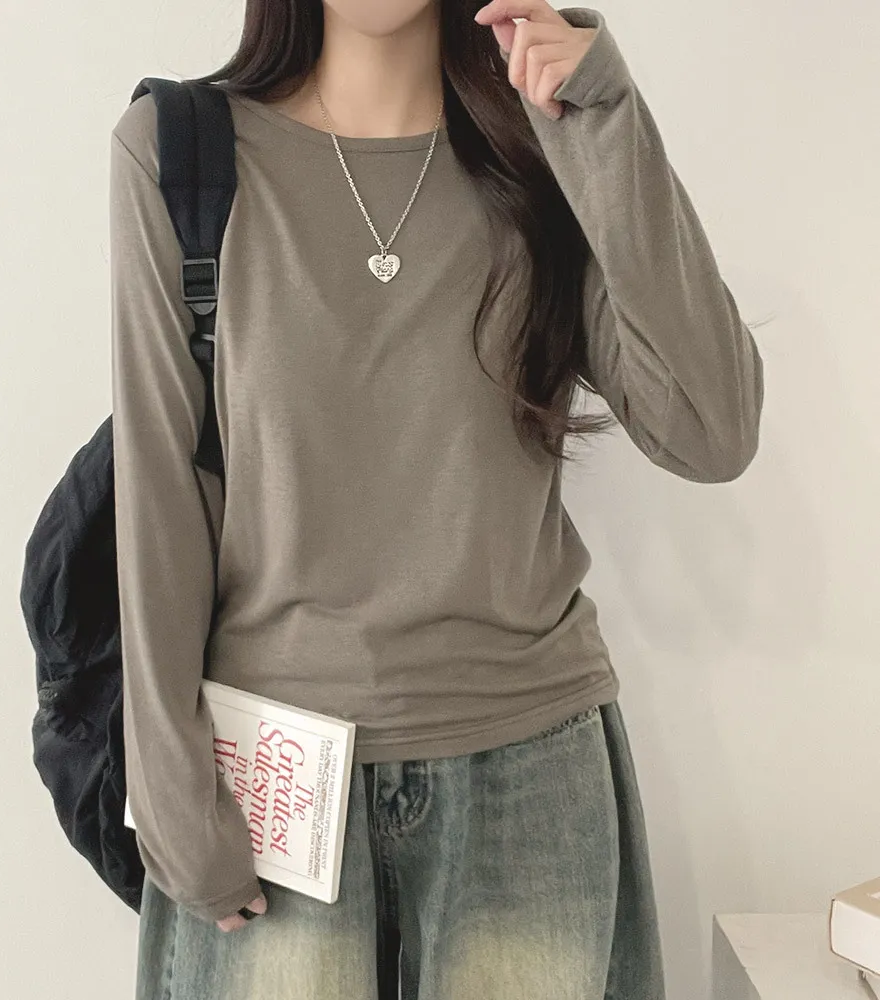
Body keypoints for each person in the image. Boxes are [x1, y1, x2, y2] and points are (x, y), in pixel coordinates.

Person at [109, 0, 764, 996]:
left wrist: (601, 117)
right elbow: (158, 490)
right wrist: (167, 786)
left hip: (529, 775)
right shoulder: (181, 154)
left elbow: (712, 430)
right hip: (270, 777)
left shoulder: (542, 152)